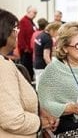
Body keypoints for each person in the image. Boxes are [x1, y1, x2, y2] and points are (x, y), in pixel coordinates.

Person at [0, 8, 40, 137]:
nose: (17, 34)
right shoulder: (2, 66)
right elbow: (13, 120)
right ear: (4, 32)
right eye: (15, 30)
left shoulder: (5, 61)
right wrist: (39, 122)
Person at [33, 22, 61, 90]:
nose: (58, 34)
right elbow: (46, 56)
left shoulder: (40, 35)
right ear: (53, 30)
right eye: (58, 31)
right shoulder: (48, 39)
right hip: (43, 66)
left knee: (38, 84)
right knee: (43, 87)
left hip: (36, 63)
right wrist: (52, 67)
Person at [17, 5, 37, 80]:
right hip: (26, 51)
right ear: (28, 12)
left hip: (30, 51)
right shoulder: (23, 21)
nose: (35, 15)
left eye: (36, 13)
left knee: (30, 71)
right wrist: (25, 48)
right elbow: (20, 36)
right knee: (26, 70)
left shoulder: (31, 22)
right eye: (34, 13)